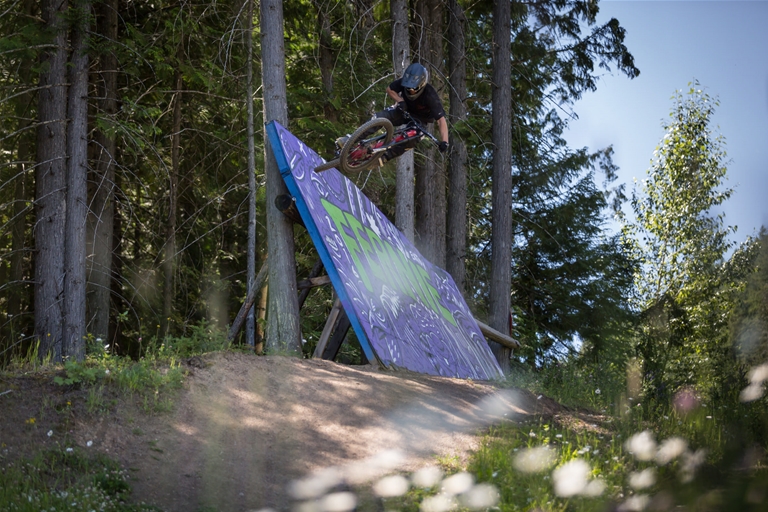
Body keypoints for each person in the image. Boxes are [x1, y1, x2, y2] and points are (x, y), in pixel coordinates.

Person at [338, 62, 449, 165]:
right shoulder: (403, 81)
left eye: (413, 88)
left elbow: (441, 120)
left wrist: (445, 141)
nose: (410, 90)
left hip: (420, 121)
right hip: (402, 110)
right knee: (379, 118)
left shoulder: (430, 96)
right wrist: (400, 101)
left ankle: (384, 157)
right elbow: (389, 89)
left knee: (413, 138)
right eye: (408, 87)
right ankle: (350, 140)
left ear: (421, 84)